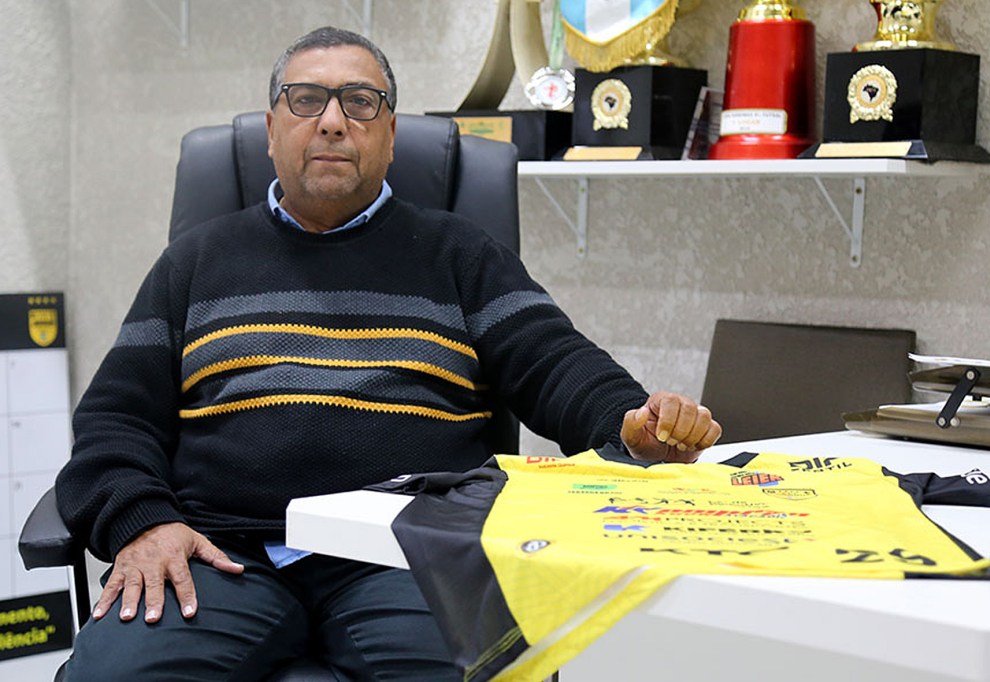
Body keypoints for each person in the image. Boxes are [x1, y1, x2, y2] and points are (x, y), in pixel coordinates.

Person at [55, 26, 721, 681]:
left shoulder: (462, 255)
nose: (333, 122)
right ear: (272, 129)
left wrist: (631, 422)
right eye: (306, 100)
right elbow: (115, 420)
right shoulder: (193, 264)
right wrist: (143, 523)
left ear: (392, 134)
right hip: (224, 552)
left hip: (408, 549)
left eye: (360, 102)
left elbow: (554, 363)